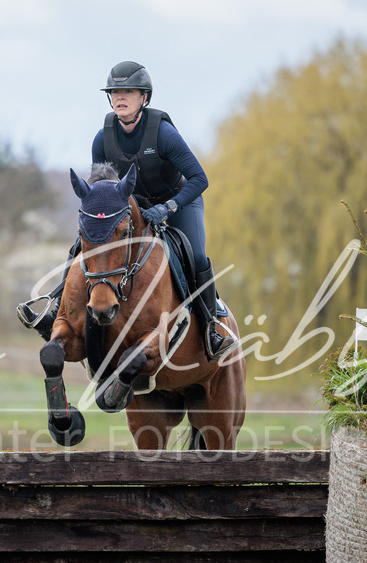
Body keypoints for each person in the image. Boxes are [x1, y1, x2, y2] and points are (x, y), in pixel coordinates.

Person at [18, 60, 235, 361]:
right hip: (132, 207)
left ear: (144, 97)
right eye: (115, 92)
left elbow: (200, 178)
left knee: (195, 255)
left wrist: (169, 206)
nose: (120, 98)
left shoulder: (164, 134)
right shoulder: (102, 138)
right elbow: (100, 191)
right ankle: (57, 307)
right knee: (84, 245)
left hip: (177, 201)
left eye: (128, 91)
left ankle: (212, 327)